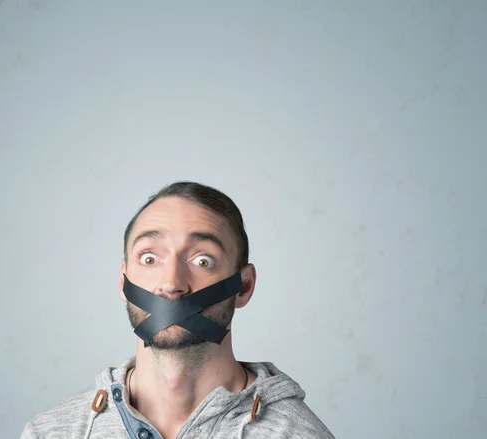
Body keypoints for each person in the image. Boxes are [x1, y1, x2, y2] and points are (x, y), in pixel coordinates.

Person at [20, 181, 335, 439]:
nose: (171, 285)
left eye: (202, 261)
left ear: (244, 286)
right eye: (149, 258)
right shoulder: (50, 433)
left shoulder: (297, 435)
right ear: (122, 280)